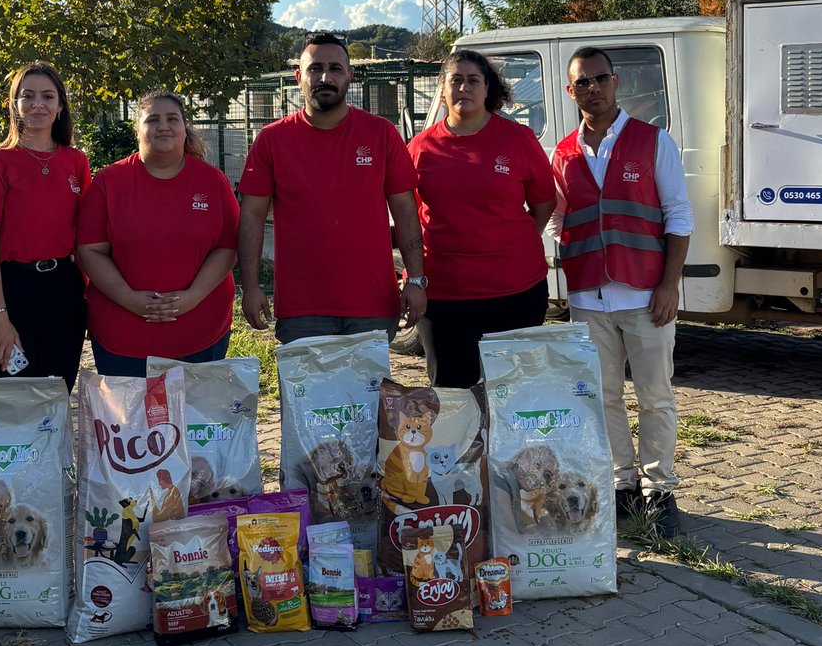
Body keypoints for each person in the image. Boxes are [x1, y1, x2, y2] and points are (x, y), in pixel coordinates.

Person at [549, 46, 693, 538]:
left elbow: (679, 216)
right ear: (570, 92)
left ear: (617, 82)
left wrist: (669, 285)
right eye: (582, 82)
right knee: (601, 397)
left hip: (646, 296)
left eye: (600, 78)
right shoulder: (562, 152)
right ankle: (622, 485)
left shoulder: (654, 141)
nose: (592, 87)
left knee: (656, 397)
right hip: (589, 300)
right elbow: (557, 218)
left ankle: (660, 490)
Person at [238, 31, 426, 345]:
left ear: (349, 76)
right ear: (299, 76)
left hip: (372, 305)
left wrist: (416, 280)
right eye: (315, 68)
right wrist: (251, 287)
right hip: (302, 310)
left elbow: (406, 209)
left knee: (369, 395)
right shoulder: (272, 140)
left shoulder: (380, 134)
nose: (325, 77)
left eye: (335, 69)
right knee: (307, 396)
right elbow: (251, 217)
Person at [408, 50, 557, 387]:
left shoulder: (518, 140)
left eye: (473, 80)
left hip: (515, 292)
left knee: (511, 393)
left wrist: (515, 244)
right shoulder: (420, 148)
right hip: (445, 296)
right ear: (443, 90)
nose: (464, 87)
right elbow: (412, 216)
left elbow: (544, 201)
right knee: (451, 395)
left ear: (488, 88)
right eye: (455, 80)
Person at [76, 91, 238, 376]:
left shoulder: (212, 181)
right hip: (123, 339)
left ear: (184, 128)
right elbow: (90, 250)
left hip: (201, 333)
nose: (164, 126)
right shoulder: (108, 182)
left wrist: (192, 297)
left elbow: (227, 247)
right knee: (129, 422)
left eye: (172, 118)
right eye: (153, 119)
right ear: (138, 129)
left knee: (192, 419)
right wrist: (130, 299)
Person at [0, 61, 90, 390]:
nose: (39, 104)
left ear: (60, 106)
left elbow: (86, 241)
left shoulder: (76, 162)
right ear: (14, 104)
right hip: (11, 292)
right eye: (29, 96)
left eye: (48, 96)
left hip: (63, 294)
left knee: (54, 403)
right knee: (13, 408)